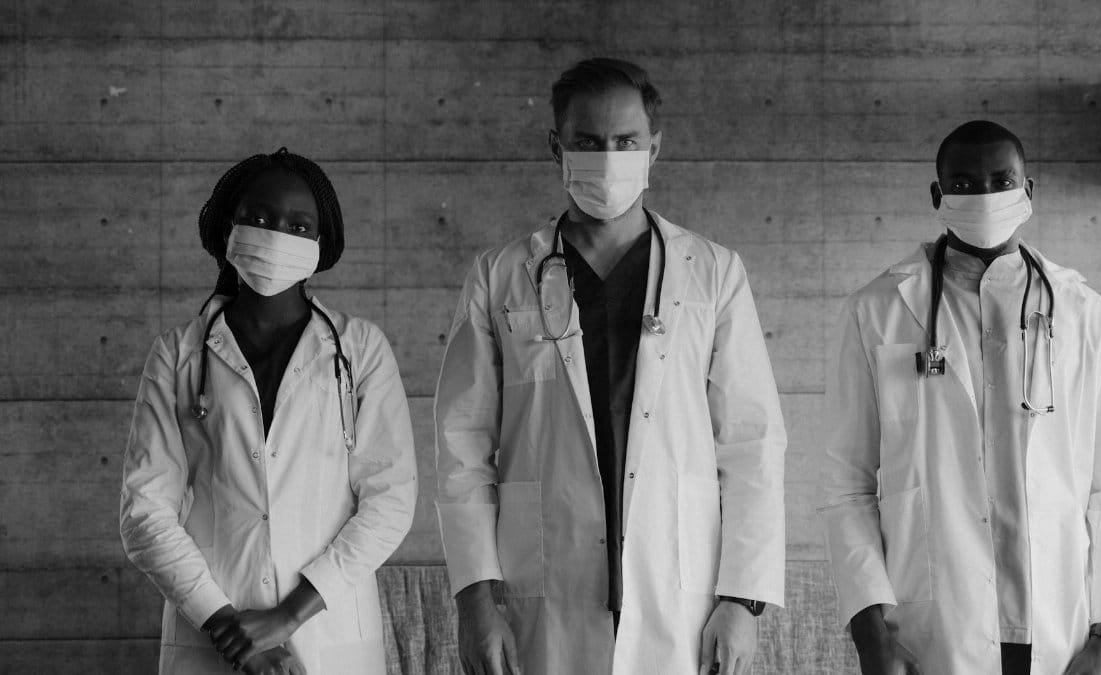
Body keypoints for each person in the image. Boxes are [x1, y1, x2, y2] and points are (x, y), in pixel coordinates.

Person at [434, 58, 786, 675]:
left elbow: (752, 443)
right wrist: (474, 601)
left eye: (625, 142)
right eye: (588, 143)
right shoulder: (500, 276)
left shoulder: (713, 273)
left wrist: (741, 601)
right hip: (543, 582)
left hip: (680, 588)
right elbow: (462, 447)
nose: (608, 158)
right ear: (556, 148)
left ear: (655, 147)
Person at [820, 120, 1101, 675]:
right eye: (965, 184)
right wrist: (870, 633)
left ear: (1028, 191)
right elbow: (845, 486)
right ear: (937, 195)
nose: (986, 195)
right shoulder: (876, 312)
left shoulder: (1088, 316)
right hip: (933, 628)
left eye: (1002, 179)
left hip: (1059, 631)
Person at [119, 148, 417, 675]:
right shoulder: (178, 355)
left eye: (298, 225)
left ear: (322, 245)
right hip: (215, 635)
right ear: (226, 229)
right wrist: (228, 627)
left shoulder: (361, 350)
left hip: (330, 632)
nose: (277, 234)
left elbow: (389, 502)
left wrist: (287, 616)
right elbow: (145, 513)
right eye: (257, 219)